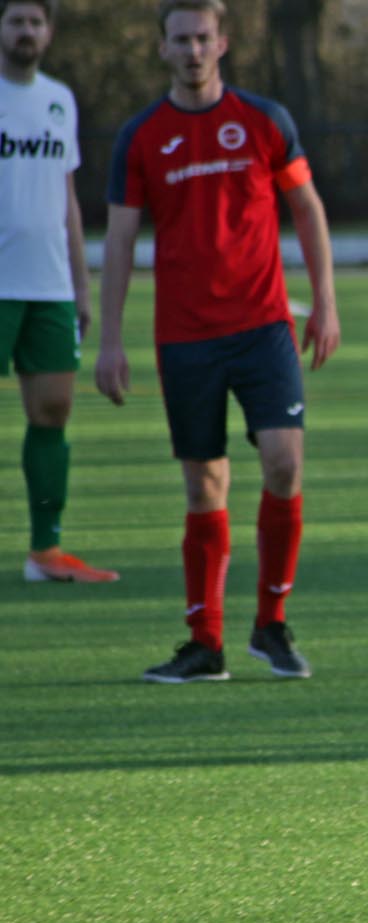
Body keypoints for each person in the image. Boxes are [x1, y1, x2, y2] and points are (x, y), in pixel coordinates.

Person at [96, 0, 341, 683]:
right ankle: (205, 643)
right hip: (185, 338)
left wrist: (324, 301)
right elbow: (118, 240)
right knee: (205, 485)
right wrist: (110, 339)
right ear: (163, 49)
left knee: (285, 463)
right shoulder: (141, 137)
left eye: (204, 37)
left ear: (223, 42)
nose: (194, 49)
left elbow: (307, 207)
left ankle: (271, 624)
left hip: (264, 327)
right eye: (182, 39)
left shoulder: (264, 121)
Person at [0, 0, 118, 583]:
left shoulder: (59, 99)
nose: (26, 31)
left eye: (36, 22)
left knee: (53, 410)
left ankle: (45, 554)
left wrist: (81, 286)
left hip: (48, 285)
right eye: (16, 21)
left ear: (48, 33)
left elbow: (66, 198)